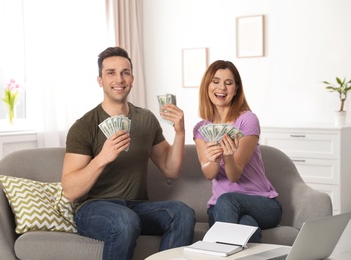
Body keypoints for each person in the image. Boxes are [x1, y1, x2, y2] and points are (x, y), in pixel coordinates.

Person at [61, 46, 195, 260]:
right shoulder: (85, 126)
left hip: (137, 207)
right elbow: (69, 190)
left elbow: (170, 170)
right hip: (94, 209)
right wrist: (102, 158)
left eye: (125, 72)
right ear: (100, 80)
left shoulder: (146, 119)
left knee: (182, 213)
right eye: (111, 73)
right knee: (125, 220)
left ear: (132, 78)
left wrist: (180, 132)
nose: (119, 79)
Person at [192, 60, 282, 242]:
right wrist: (215, 160)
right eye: (216, 81)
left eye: (229, 83)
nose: (222, 88)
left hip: (262, 204)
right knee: (247, 226)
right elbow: (209, 173)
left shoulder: (248, 120)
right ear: (207, 86)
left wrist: (228, 155)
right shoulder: (201, 129)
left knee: (227, 200)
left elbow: (234, 175)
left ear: (236, 89)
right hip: (219, 208)